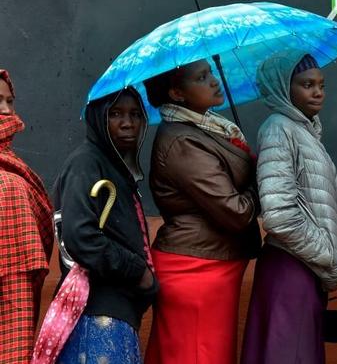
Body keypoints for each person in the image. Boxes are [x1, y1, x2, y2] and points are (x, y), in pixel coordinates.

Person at [143, 59, 261, 364]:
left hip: (210, 264)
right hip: (196, 270)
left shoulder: (208, 127)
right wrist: (263, 179)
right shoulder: (182, 140)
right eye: (201, 77)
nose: (213, 81)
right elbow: (235, 212)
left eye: (210, 73)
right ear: (177, 93)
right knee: (198, 355)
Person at [240, 51, 337, 363]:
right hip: (290, 270)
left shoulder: (306, 131)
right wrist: (327, 253)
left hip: (305, 268)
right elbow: (278, 216)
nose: (318, 92)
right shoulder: (279, 128)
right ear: (283, 88)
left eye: (321, 84)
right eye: (306, 84)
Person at [53, 87, 156, 364]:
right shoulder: (87, 163)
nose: (127, 123)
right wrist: (138, 272)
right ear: (98, 118)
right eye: (115, 114)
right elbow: (80, 237)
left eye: (135, 114)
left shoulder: (114, 168)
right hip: (96, 315)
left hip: (116, 312)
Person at [0, 69, 54, 363]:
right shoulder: (8, 179)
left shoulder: (12, 172)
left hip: (11, 302)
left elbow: (18, 285)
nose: (7, 110)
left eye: (10, 101)